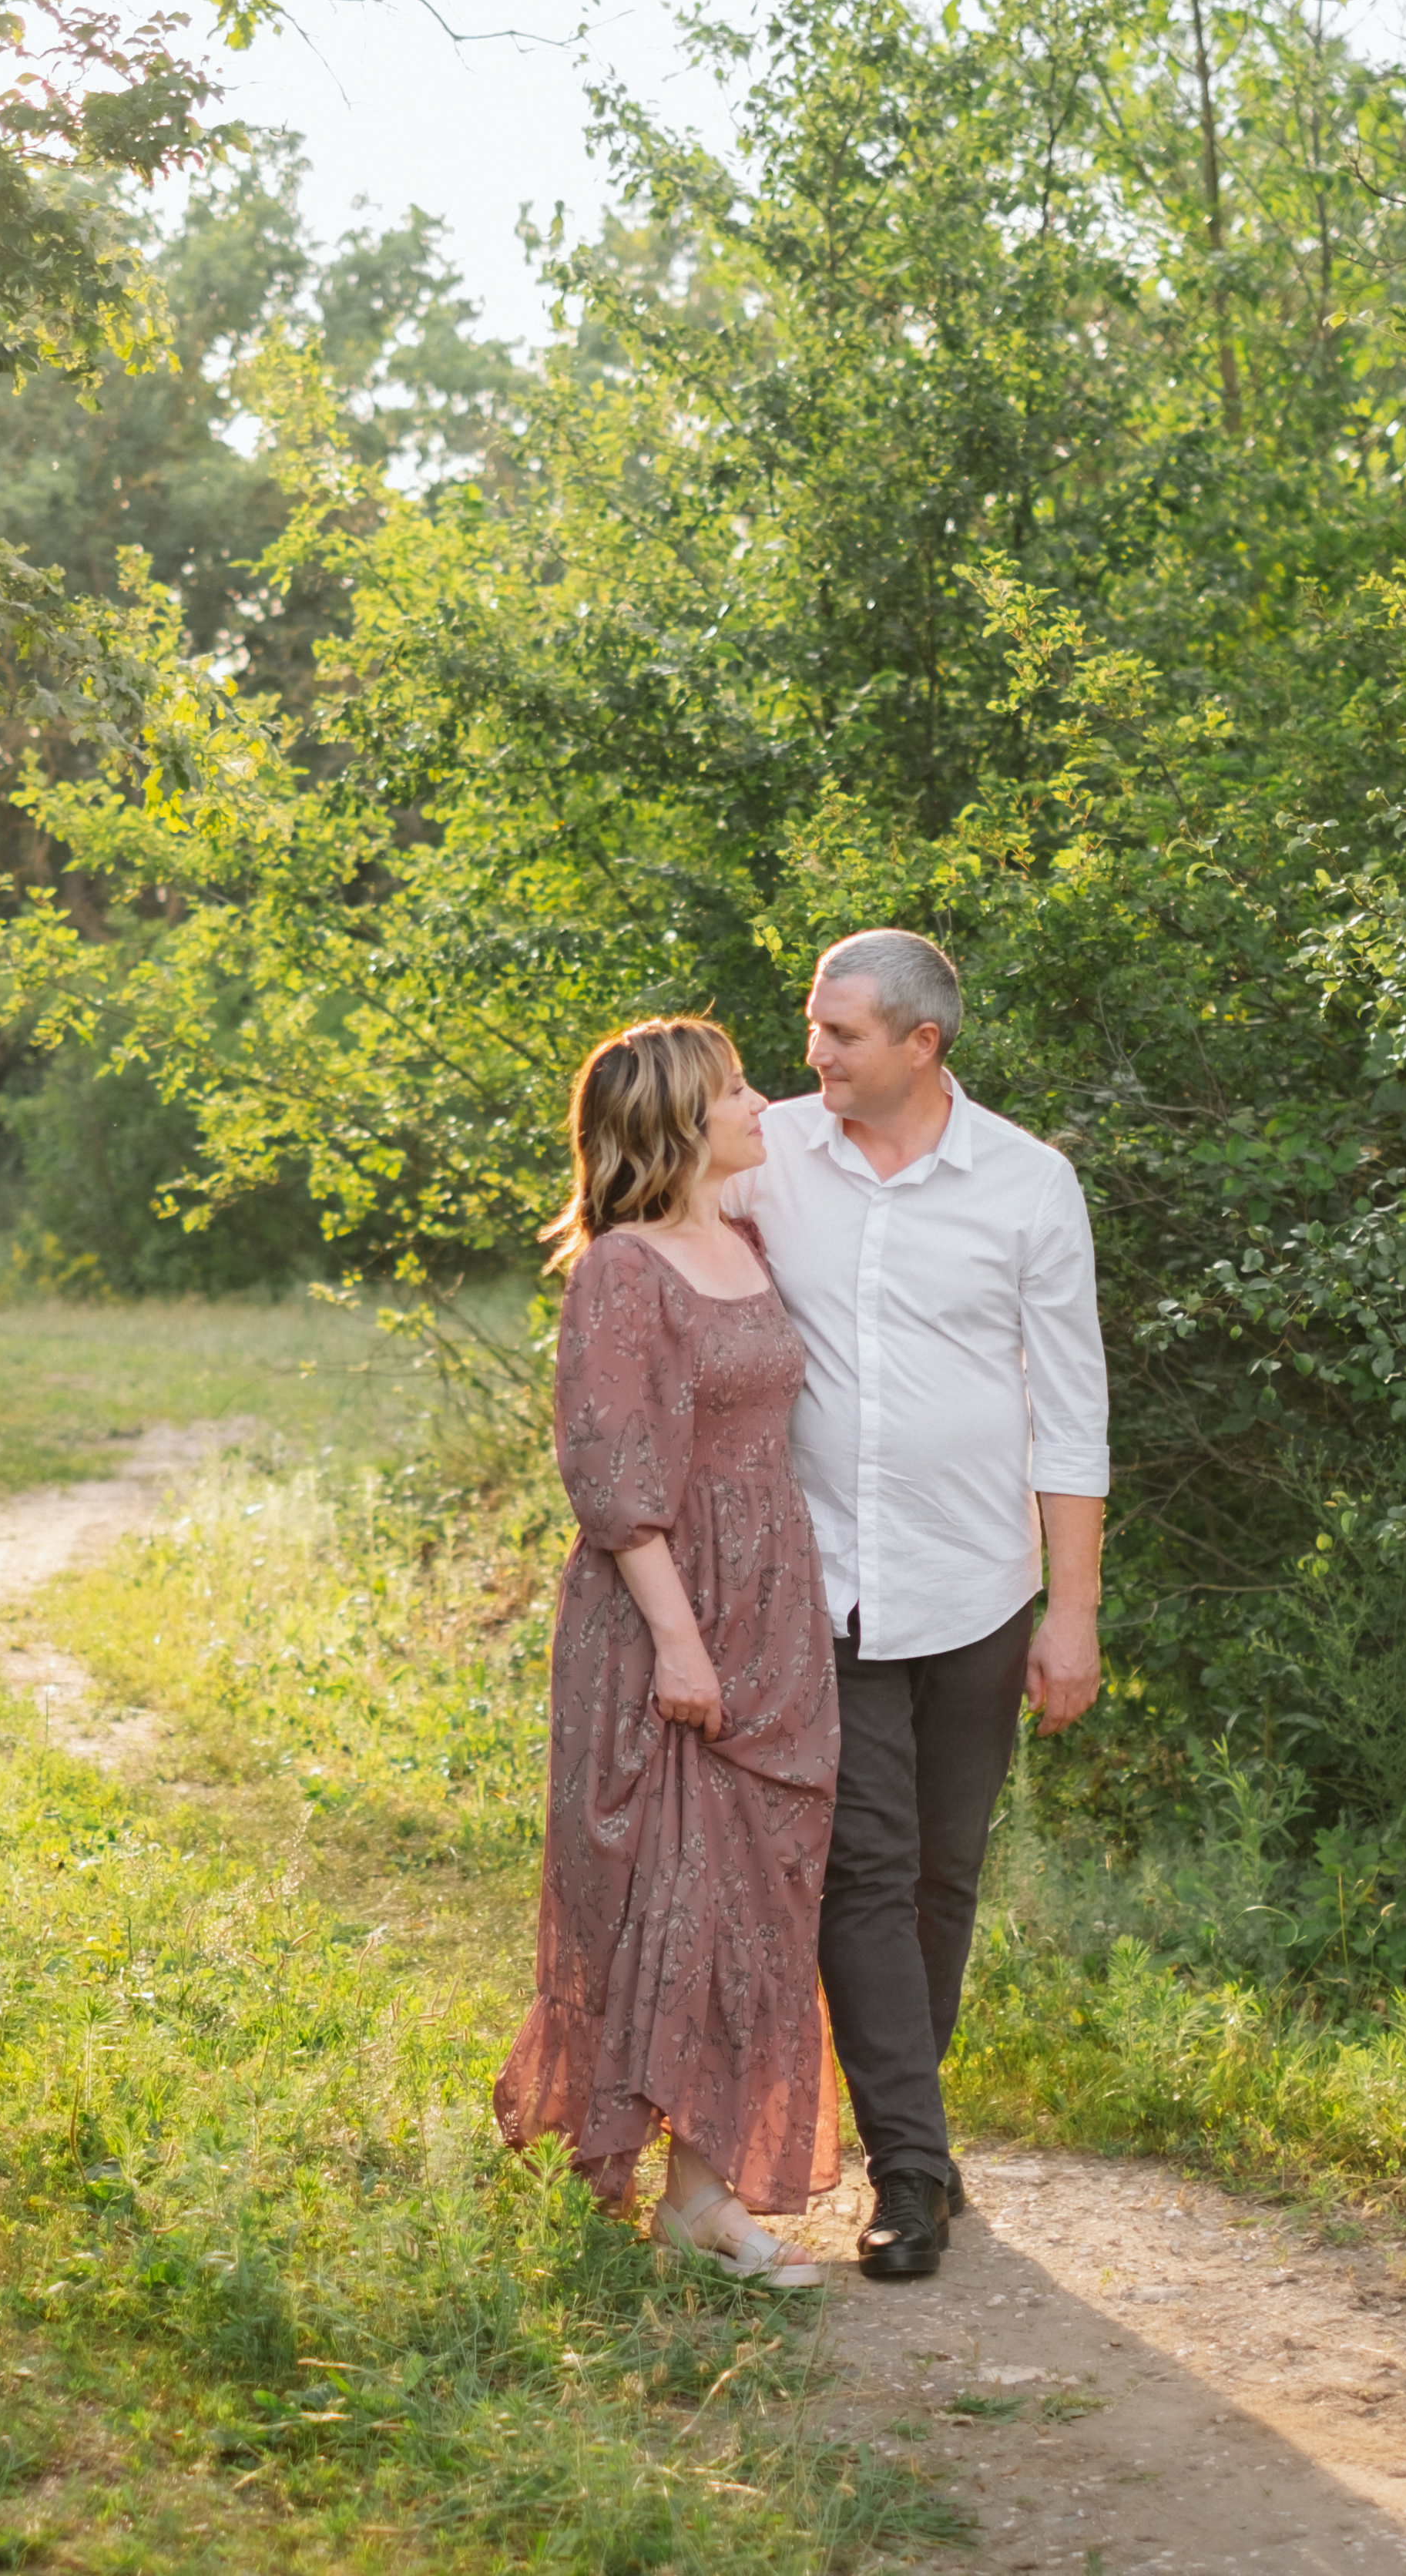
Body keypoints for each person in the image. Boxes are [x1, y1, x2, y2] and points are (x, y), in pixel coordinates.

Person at [725, 929, 1108, 2280]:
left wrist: (1074, 1613)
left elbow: (1071, 1410)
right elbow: (656, 1243)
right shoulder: (765, 1153)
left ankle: (913, 2129)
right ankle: (906, 2170)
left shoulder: (1027, 1182)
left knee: (946, 1871)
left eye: (841, 1033)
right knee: (865, 1872)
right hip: (819, 1591)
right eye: (813, 1026)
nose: (813, 1052)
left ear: (922, 1044)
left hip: (977, 1588)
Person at [495, 1016, 840, 2287]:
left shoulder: (748, 1243)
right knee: (673, 1895)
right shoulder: (621, 1272)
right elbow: (612, 1476)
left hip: (772, 1607)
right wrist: (683, 1649)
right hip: (663, 1619)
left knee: (759, 1900)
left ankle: (702, 2193)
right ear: (682, 1122)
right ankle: (685, 2195)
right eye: (737, 1090)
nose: (762, 1105)